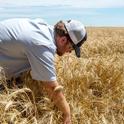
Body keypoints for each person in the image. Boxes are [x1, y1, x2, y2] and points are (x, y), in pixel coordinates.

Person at [0, 18, 87, 124]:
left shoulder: (43, 28)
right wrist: (67, 113)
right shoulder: (43, 45)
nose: (69, 52)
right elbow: (52, 87)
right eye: (71, 48)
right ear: (63, 40)